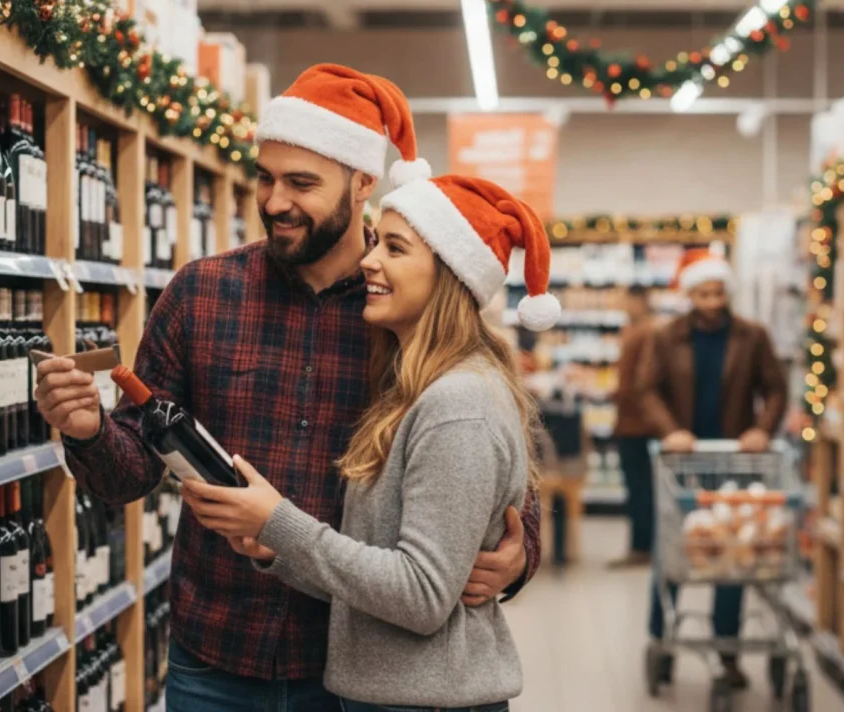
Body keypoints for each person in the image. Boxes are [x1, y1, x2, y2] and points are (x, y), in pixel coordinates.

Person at [33, 64, 542, 712]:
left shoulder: (402, 314)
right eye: (266, 179)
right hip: (215, 650)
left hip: (351, 662)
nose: (275, 201)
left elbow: (498, 474)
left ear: (362, 182)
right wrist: (89, 432)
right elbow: (131, 471)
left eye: (301, 183)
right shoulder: (203, 293)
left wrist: (517, 551)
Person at [179, 174, 560, 712]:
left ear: (450, 274)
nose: (369, 262)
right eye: (377, 242)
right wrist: (277, 548)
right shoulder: (414, 386)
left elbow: (422, 596)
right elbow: (379, 573)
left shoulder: (459, 404)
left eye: (395, 248)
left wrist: (279, 520)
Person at [638, 248, 787, 688]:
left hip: (735, 461)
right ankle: (662, 641)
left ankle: (728, 651)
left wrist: (761, 429)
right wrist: (670, 431)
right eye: (702, 293)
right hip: (682, 464)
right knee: (674, 553)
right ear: (689, 295)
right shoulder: (666, 337)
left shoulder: (753, 336)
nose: (710, 302)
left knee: (732, 557)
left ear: (728, 292)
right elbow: (647, 391)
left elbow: (776, 389)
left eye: (717, 292)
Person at [608, 285, 655, 568]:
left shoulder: (646, 333)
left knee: (640, 489)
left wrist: (613, 394)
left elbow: (640, 382)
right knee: (638, 488)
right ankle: (641, 546)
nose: (623, 304)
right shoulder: (635, 329)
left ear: (640, 300)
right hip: (630, 421)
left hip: (638, 424)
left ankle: (642, 548)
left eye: (627, 299)